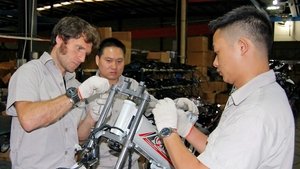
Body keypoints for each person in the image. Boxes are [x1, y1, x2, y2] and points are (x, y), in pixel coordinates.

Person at [152, 6, 295, 169]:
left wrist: (167, 131)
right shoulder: (257, 95)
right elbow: (221, 154)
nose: (215, 62)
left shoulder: (256, 112)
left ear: (242, 47)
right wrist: (187, 129)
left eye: (218, 52)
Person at [6, 16, 110, 169]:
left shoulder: (75, 84)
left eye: (86, 53)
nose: (82, 59)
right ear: (60, 40)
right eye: (79, 48)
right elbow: (28, 120)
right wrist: (77, 95)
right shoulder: (30, 72)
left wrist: (91, 118)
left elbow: (79, 137)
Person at [90, 37, 157, 169]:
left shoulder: (133, 86)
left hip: (130, 162)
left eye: (119, 61)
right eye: (108, 61)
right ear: (98, 60)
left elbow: (154, 106)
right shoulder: (87, 89)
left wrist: (175, 106)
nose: (114, 66)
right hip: (100, 164)